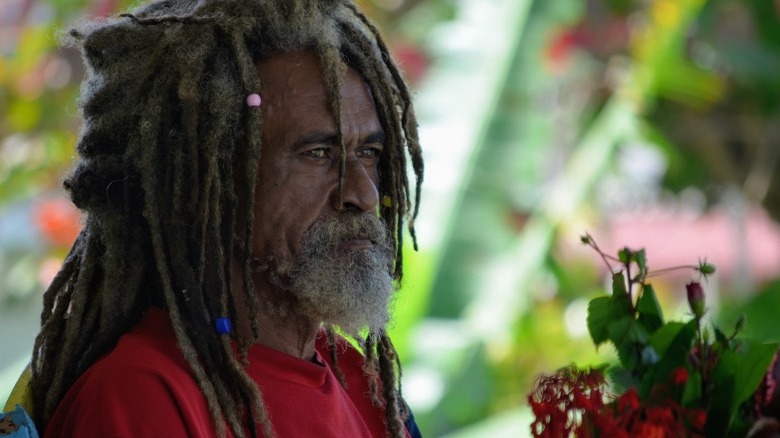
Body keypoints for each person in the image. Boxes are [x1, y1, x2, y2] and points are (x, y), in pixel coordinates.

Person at [27, 0, 424, 436]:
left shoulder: (362, 381)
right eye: (317, 154)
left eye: (369, 153)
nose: (363, 194)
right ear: (200, 181)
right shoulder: (143, 394)